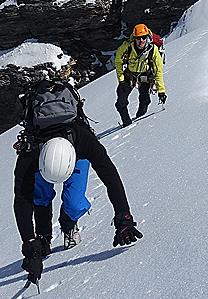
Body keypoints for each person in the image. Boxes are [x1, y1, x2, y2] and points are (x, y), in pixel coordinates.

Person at [13, 77, 142, 284]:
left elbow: (110, 175)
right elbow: (22, 199)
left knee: (74, 200)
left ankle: (68, 222)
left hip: (75, 151)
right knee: (40, 195)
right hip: (43, 152)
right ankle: (44, 236)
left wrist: (123, 216)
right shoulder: (30, 154)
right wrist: (30, 244)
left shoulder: (83, 139)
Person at [114, 23, 166, 127]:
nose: (141, 40)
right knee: (120, 102)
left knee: (145, 99)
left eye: (143, 37)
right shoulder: (127, 46)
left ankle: (140, 119)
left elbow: (158, 71)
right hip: (130, 74)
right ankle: (127, 123)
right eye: (138, 38)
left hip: (145, 74)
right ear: (134, 38)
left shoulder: (153, 50)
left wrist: (161, 91)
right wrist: (121, 80)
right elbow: (118, 61)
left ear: (147, 37)